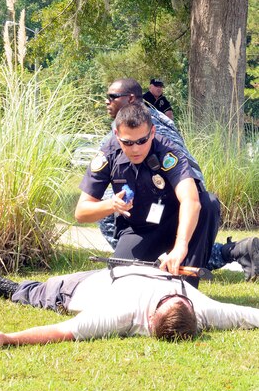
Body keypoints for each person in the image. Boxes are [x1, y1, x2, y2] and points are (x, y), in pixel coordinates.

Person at [99, 78, 259, 282]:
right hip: (163, 208)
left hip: (175, 205)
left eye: (112, 97)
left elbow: (185, 175)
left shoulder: (152, 129)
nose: (107, 101)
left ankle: (228, 254)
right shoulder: (155, 120)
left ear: (130, 99)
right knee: (136, 260)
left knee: (179, 250)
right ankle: (236, 251)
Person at [75, 102, 220, 288]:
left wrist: (180, 247)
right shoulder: (107, 155)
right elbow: (81, 212)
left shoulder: (168, 151)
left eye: (142, 141)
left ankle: (186, 287)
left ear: (152, 132)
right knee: (119, 281)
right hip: (139, 229)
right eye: (127, 142)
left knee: (208, 202)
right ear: (116, 135)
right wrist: (111, 205)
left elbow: (191, 201)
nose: (135, 149)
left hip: (174, 222)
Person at [0, 265, 259, 351]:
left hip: (82, 288)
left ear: (148, 318)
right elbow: (250, 315)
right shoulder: (205, 309)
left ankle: (12, 289)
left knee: (43, 291)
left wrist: (9, 338)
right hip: (124, 266)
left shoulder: (120, 315)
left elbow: (61, 330)